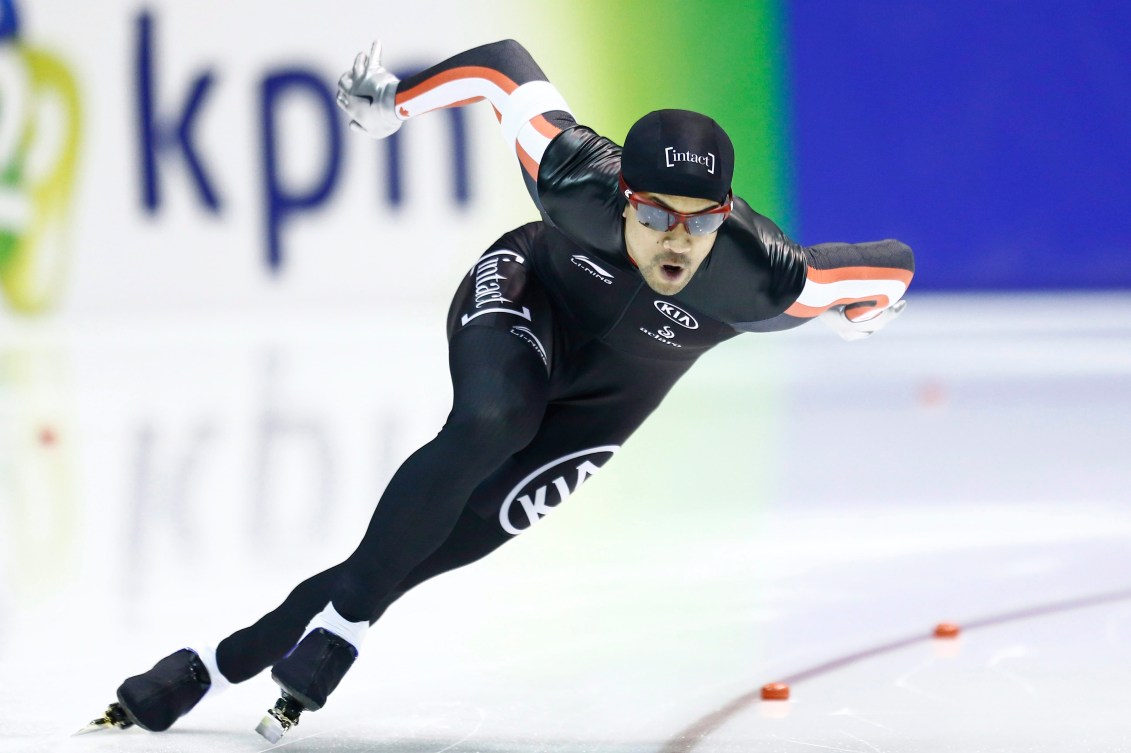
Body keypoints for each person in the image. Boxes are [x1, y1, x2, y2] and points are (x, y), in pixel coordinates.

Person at [83, 39, 914, 742]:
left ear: (726, 213)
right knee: (491, 419)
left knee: (451, 541)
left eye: (700, 219)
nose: (676, 238)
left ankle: (213, 665)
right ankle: (341, 629)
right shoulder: (574, 175)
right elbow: (503, 71)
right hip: (531, 296)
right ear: (621, 195)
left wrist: (862, 310)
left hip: (612, 396)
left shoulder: (766, 279)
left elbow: (890, 263)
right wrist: (397, 105)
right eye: (655, 213)